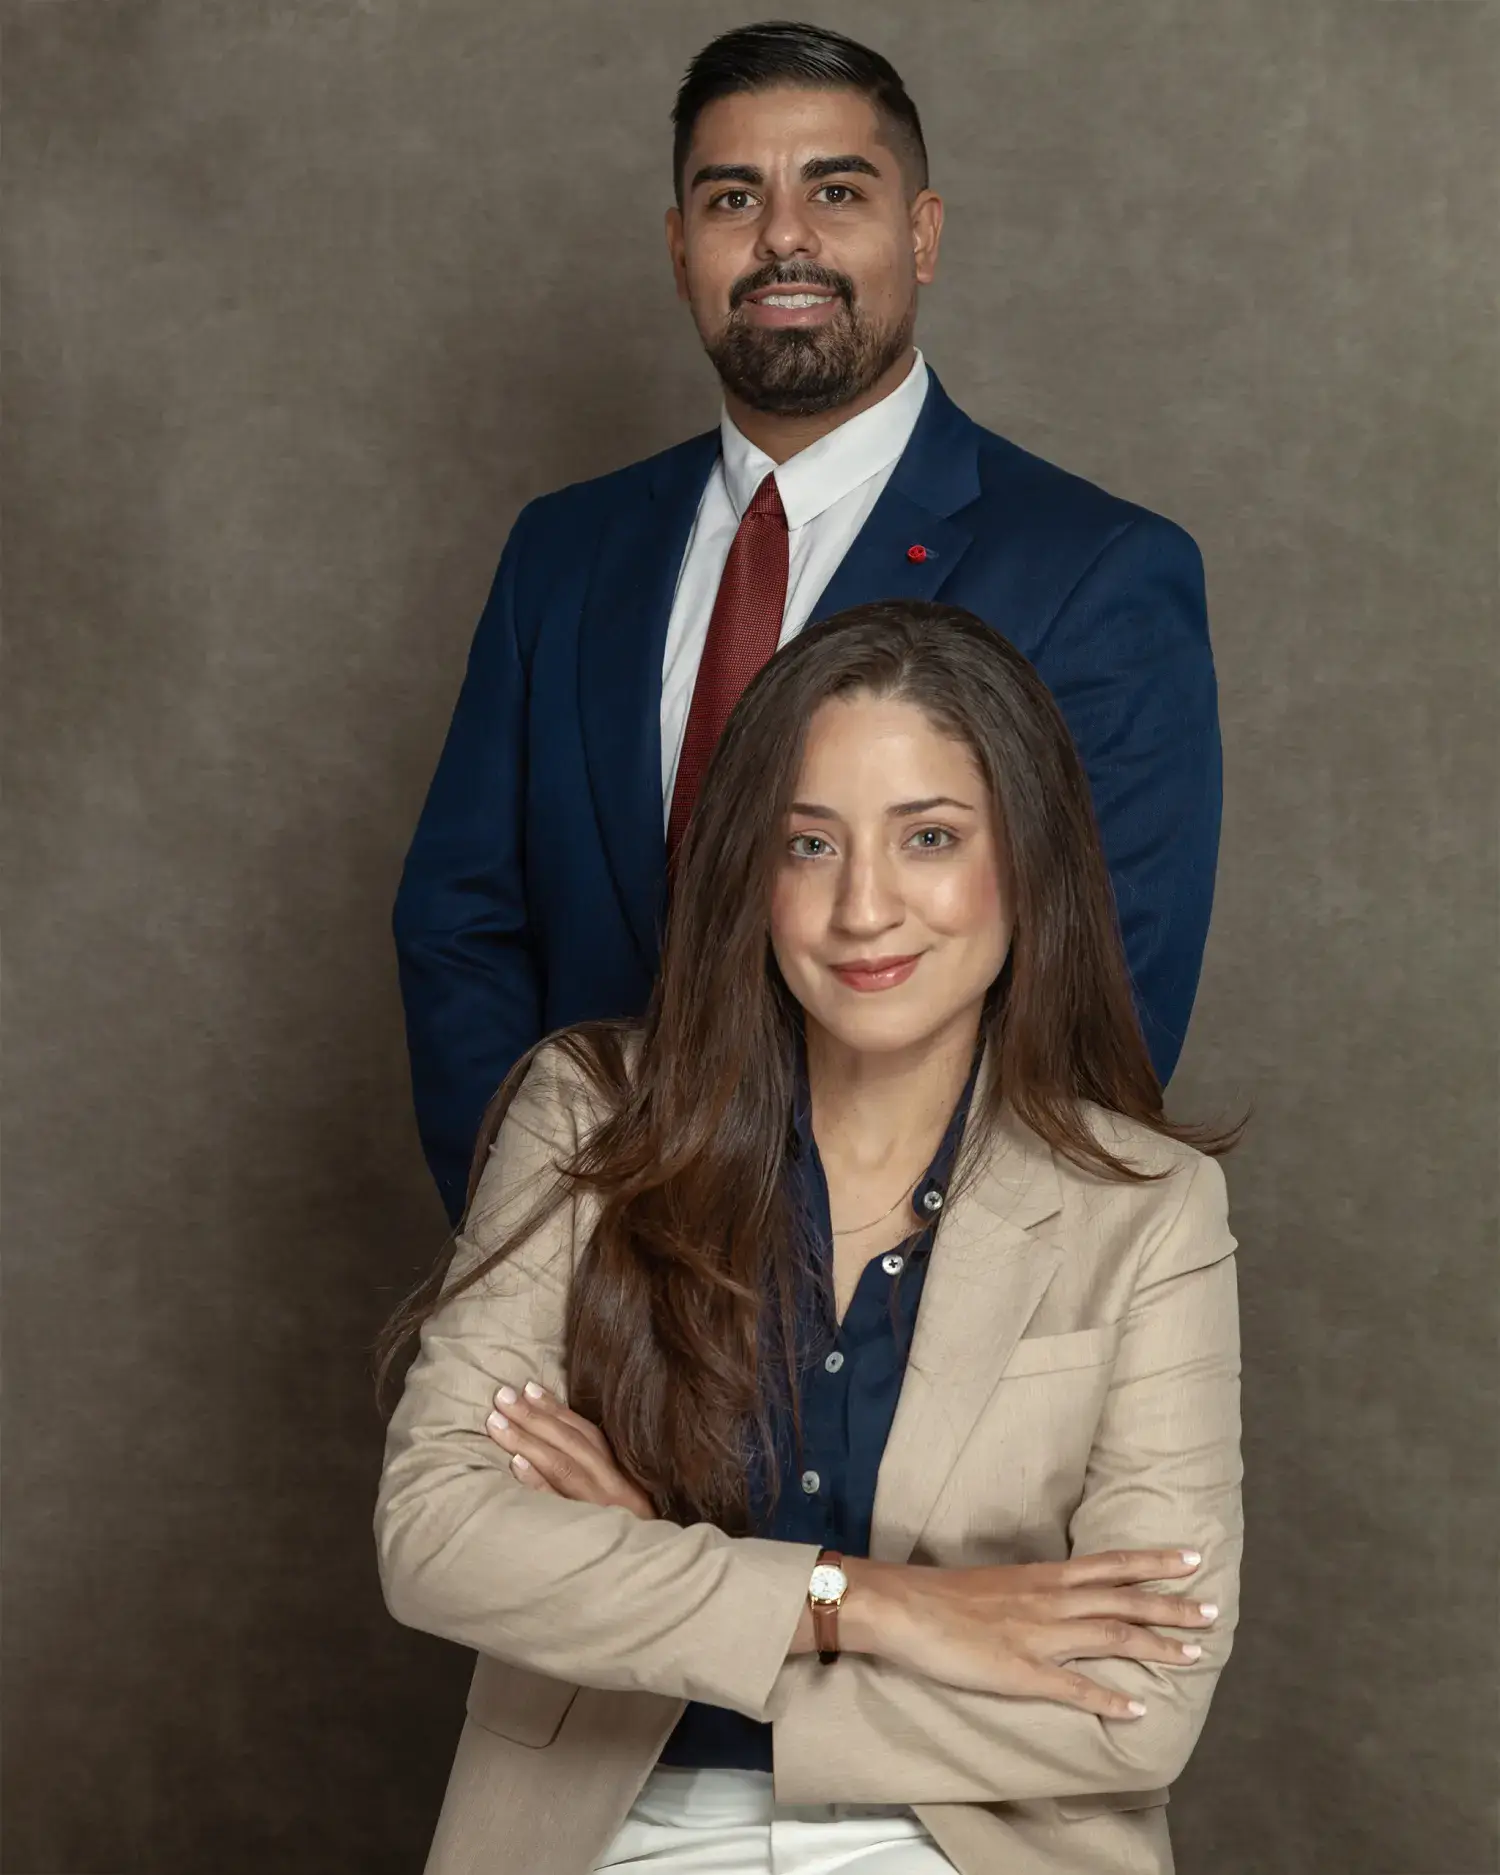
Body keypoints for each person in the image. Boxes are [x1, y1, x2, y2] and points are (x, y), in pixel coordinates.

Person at [376, 602, 1242, 1875]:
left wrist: (666, 1583)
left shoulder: (1148, 1209)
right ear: (752, 872)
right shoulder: (591, 1116)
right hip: (604, 1833)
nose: (863, 909)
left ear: (1027, 860)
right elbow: (439, 1536)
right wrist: (874, 1604)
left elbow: (1135, 1712)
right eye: (809, 845)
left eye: (930, 839)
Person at [394, 21, 1223, 1224]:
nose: (785, 236)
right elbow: (461, 924)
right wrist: (545, 1237)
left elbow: (1105, 1004)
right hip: (572, 1263)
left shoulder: (1097, 570)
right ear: (682, 252)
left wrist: (844, 1302)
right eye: (736, 197)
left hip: (895, 1315)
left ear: (922, 234)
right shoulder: (563, 553)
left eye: (837, 190)